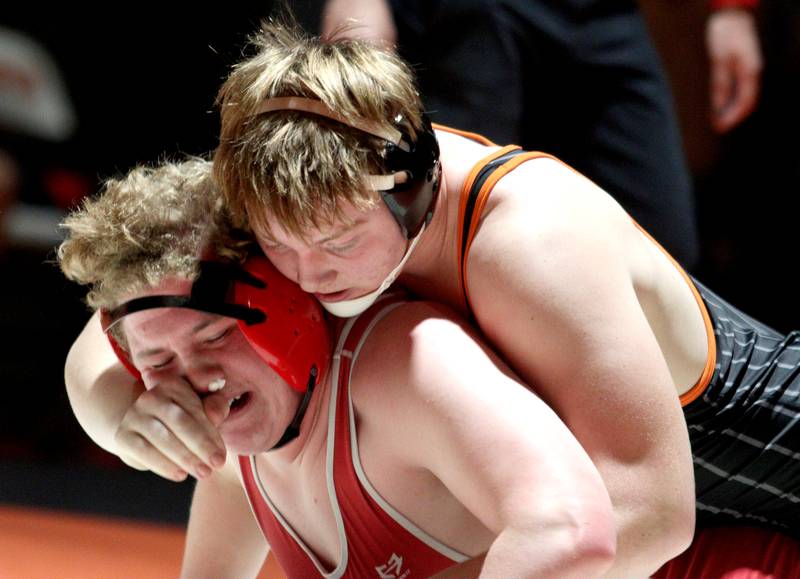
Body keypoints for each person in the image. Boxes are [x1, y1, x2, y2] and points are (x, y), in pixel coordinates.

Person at [64, 20, 798, 577]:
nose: (309, 275)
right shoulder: (297, 190)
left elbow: (651, 512)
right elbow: (129, 298)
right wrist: (117, 418)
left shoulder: (529, 241)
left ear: (412, 191)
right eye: (278, 247)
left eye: (342, 241)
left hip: (757, 451)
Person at [57, 158, 618, 578]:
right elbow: (95, 358)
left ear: (294, 296)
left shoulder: (408, 366)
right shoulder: (236, 456)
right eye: (157, 359)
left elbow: (572, 532)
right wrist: (115, 421)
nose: (197, 377)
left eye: (218, 335)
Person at [319, 0, 762, 270]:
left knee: (664, 244)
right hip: (467, 15)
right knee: (461, 239)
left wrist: (731, 9)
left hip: (600, 13)